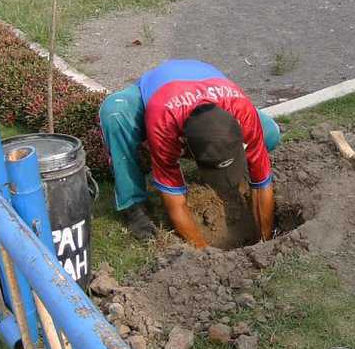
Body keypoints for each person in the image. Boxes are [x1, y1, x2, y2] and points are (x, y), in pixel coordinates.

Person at [98, 59, 281, 247]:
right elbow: (175, 202)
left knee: (270, 133)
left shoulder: (243, 112)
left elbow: (262, 185)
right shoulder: (163, 122)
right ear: (183, 142)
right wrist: (205, 253)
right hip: (161, 90)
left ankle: (222, 160)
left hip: (208, 86)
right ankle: (133, 205)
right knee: (114, 112)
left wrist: (265, 242)